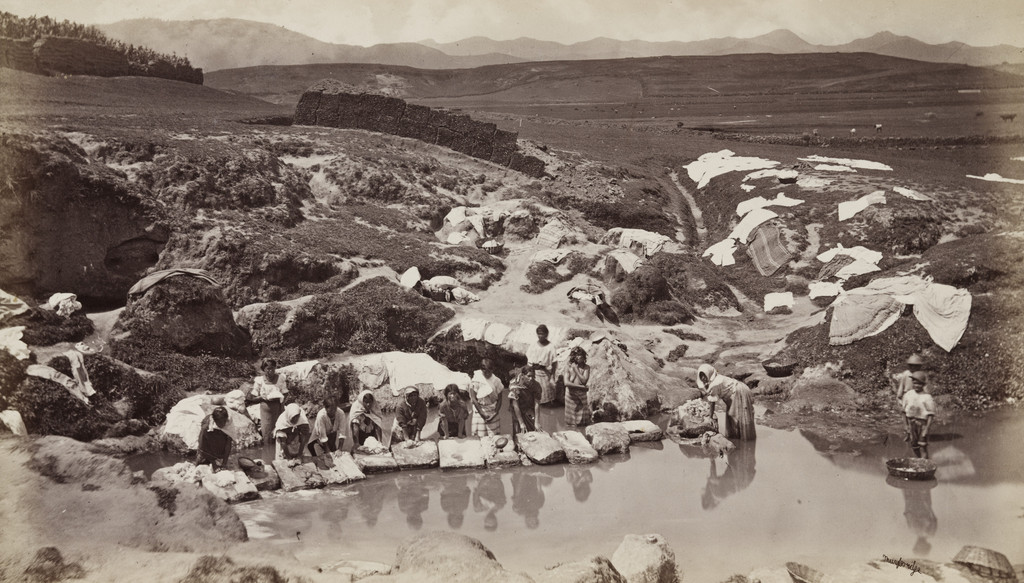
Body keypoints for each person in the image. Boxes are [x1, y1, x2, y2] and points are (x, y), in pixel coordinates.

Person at [697, 364, 756, 441]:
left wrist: (710, 417)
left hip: (739, 392)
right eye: (701, 376)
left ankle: (743, 440)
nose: (703, 378)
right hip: (736, 390)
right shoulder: (715, 378)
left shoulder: (715, 383)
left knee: (737, 416)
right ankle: (736, 439)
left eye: (704, 375)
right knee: (733, 416)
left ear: (709, 374)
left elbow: (712, 402)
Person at [250, 358, 287, 445]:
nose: (270, 371)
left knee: (280, 431)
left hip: (278, 409)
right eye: (268, 369)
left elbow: (285, 393)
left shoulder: (280, 378)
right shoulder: (259, 380)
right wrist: (263, 398)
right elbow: (253, 398)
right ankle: (268, 450)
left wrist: (282, 404)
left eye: (272, 368)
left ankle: (278, 450)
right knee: (267, 433)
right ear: (264, 369)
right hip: (266, 411)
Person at [901, 370, 936, 458]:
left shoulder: (927, 397)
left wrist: (927, 429)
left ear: (923, 385)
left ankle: (924, 463)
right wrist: (906, 425)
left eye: (919, 384)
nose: (917, 385)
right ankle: (917, 461)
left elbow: (931, 415)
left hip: (922, 424)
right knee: (914, 445)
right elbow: (903, 412)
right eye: (915, 383)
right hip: (911, 423)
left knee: (923, 445)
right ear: (912, 383)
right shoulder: (908, 395)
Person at [470, 359, 504, 437]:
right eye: (485, 371)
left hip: (492, 411)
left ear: (493, 369)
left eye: (489, 371)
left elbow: (500, 399)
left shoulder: (496, 381)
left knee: (494, 437)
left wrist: (495, 413)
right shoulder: (476, 379)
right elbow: (473, 398)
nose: (487, 373)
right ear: (481, 370)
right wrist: (482, 413)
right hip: (479, 411)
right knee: (479, 437)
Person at [527, 325, 560, 405]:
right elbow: (529, 361)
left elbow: (554, 362)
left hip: (545, 373)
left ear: (546, 334)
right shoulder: (533, 345)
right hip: (534, 372)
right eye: (539, 334)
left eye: (542, 334)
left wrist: (552, 376)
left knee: (546, 397)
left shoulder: (551, 347)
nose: (540, 336)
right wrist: (529, 373)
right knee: (534, 397)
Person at [196, 406, 235, 470]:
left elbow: (228, 444)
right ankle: (210, 459)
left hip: (217, 447)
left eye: (224, 421)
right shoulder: (207, 427)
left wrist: (224, 463)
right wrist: (213, 463)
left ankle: (217, 457)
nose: (222, 424)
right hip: (206, 449)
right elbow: (202, 446)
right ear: (214, 421)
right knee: (201, 464)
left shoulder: (228, 424)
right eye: (220, 422)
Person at [562, 347, 591, 427]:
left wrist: (576, 370)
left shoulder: (586, 367)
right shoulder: (568, 367)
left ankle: (582, 430)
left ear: (584, 356)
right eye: (576, 355)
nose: (577, 357)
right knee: (571, 420)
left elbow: (584, 381)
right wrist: (582, 387)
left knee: (582, 418)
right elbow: (566, 383)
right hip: (570, 395)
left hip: (581, 395)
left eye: (579, 355)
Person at [509, 366, 542, 434]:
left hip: (529, 408)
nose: (531, 378)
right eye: (529, 376)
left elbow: (537, 404)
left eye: (533, 376)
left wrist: (537, 422)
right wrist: (521, 423)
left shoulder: (536, 386)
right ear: (522, 375)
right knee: (519, 431)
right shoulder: (515, 386)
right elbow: (515, 405)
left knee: (534, 428)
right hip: (517, 409)